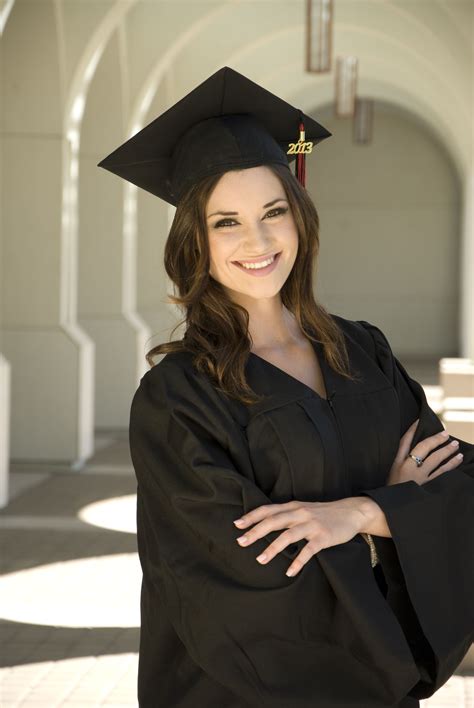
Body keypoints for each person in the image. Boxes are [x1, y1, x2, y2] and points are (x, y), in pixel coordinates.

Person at [98, 67, 473, 708]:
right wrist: (396, 512)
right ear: (196, 241)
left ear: (299, 218)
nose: (258, 240)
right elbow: (240, 571)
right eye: (227, 223)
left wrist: (358, 514)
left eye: (274, 211)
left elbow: (457, 488)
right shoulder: (177, 398)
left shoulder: (365, 352)